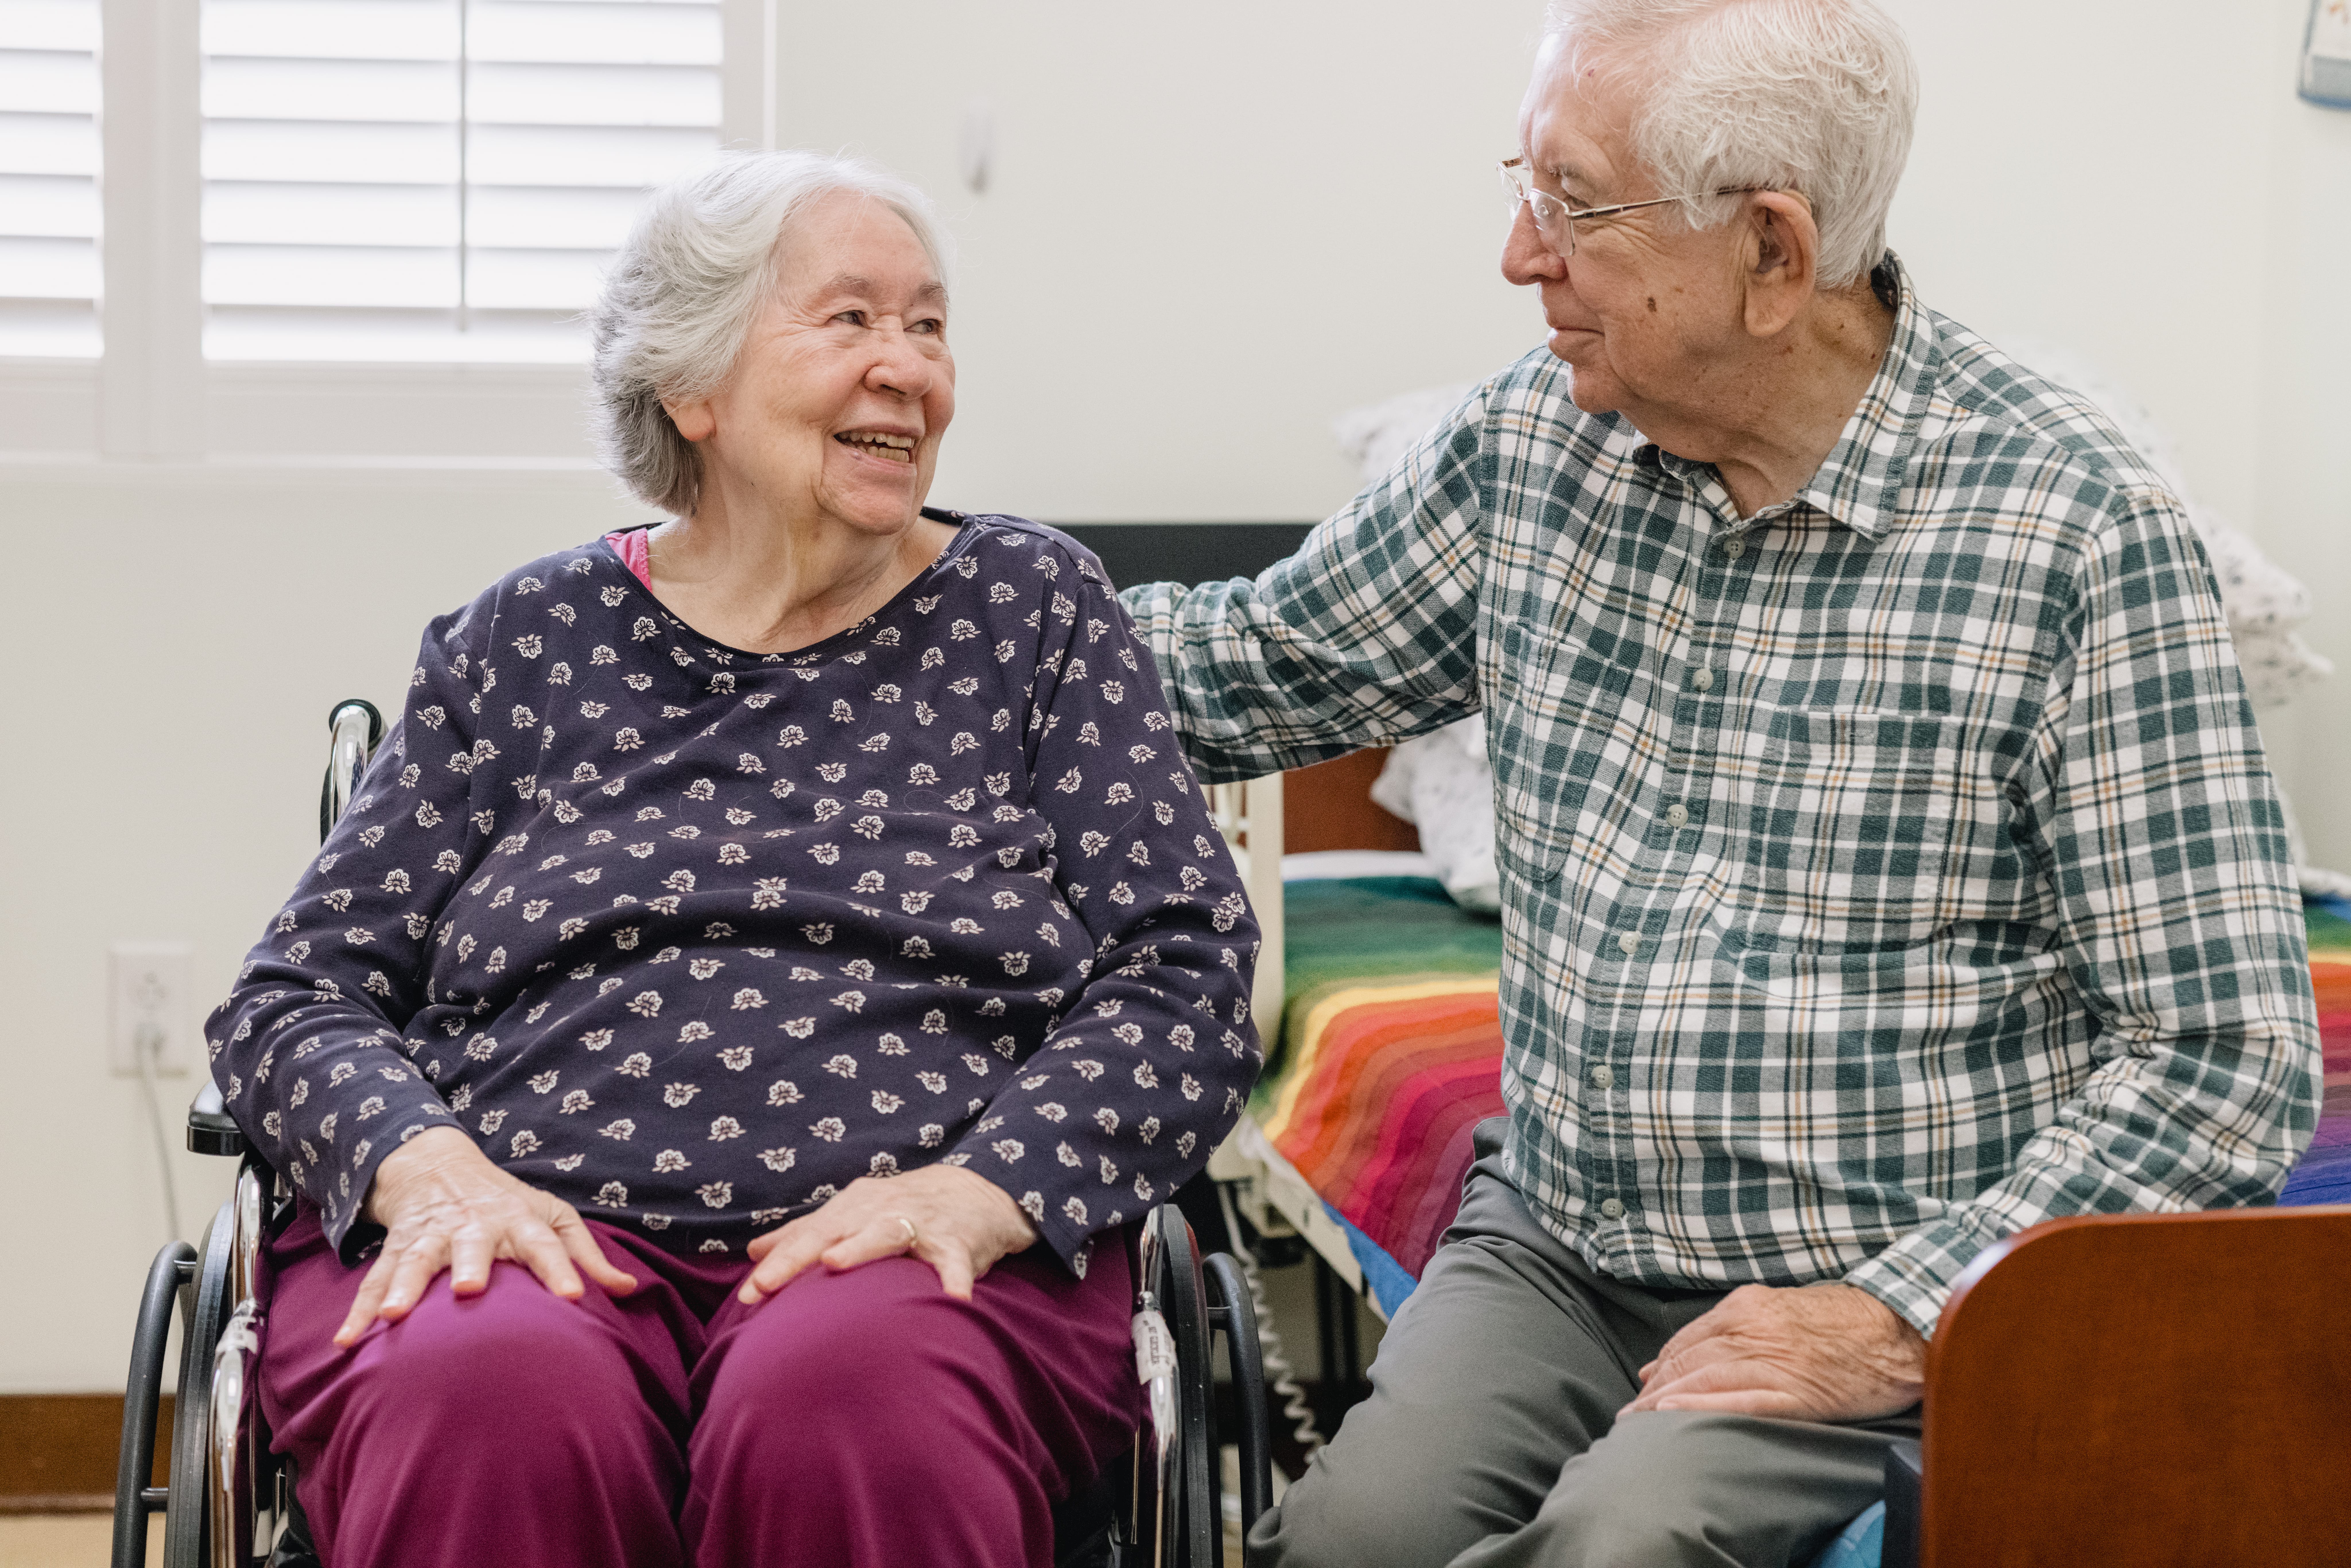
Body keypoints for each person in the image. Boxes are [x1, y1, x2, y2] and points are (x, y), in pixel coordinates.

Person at [1121, 2, 2320, 1564]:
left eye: (1575, 201)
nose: (1517, 253)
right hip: (1567, 1236)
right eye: (1524, 183)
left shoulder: (2078, 538)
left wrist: (1899, 1316)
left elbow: (2225, 1056)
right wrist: (884, 606)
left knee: (1626, 1544)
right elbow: (1242, 668)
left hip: (1875, 1263)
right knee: (1349, 1539)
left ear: (1769, 250)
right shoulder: (1529, 452)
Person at [207, 150, 1259, 1568]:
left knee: (851, 1400)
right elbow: (292, 997)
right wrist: (427, 1165)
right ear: (690, 391)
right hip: (528, 1223)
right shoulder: (521, 642)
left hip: (924, 1233)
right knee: (487, 1395)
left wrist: (986, 1184)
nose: (907, 368)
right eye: (849, 321)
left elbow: (1182, 969)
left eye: (929, 326)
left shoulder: (1036, 611)